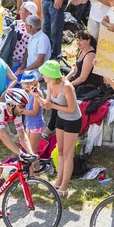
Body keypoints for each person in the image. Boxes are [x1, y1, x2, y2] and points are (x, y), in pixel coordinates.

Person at [34, 60, 82, 198]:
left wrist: (52, 107)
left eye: (44, 74)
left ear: (51, 74)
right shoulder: (50, 84)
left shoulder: (66, 86)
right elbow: (47, 103)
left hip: (73, 120)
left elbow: (72, 108)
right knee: (60, 151)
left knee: (68, 154)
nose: (42, 76)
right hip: (61, 118)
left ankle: (64, 188)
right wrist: (36, 96)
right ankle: (58, 182)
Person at [20, 71, 45, 172]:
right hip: (29, 124)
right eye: (25, 83)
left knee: (32, 152)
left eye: (29, 82)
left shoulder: (36, 93)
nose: (27, 85)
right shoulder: (26, 93)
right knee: (29, 150)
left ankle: (34, 175)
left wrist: (21, 111)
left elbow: (35, 112)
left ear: (35, 82)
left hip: (36, 125)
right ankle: (32, 173)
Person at [66, 30, 103, 97]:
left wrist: (68, 85)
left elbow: (83, 78)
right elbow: (75, 70)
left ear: (88, 41)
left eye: (81, 40)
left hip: (87, 83)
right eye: (77, 40)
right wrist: (65, 79)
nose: (78, 43)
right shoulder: (81, 50)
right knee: (61, 70)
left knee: (68, 91)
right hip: (79, 77)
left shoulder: (90, 55)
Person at [12, 1, 37, 71]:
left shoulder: (31, 29)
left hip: (18, 62)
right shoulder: (21, 22)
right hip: (10, 56)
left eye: (21, 10)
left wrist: (22, 66)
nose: (19, 12)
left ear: (28, 14)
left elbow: (28, 50)